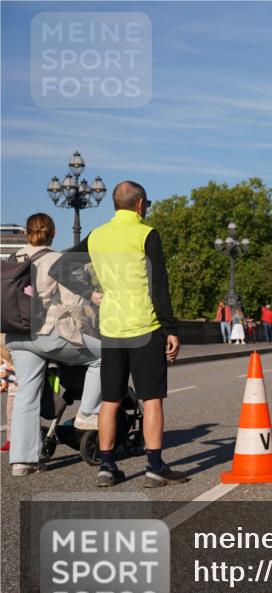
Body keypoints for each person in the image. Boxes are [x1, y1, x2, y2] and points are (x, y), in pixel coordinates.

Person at [53, 182, 188, 488]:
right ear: (139, 204)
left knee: (111, 399)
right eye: (146, 204)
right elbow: (159, 285)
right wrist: (171, 329)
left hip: (111, 329)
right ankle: (154, 467)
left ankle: (106, 466)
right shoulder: (146, 234)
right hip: (144, 326)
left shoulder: (97, 235)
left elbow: (59, 268)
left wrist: (89, 292)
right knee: (151, 399)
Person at [5, 213, 103, 476]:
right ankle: (87, 413)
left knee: (26, 393)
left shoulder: (12, 260)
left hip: (16, 335)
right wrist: (91, 327)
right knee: (103, 355)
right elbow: (75, 304)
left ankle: (22, 461)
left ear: (26, 234)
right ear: (54, 233)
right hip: (47, 334)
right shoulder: (56, 260)